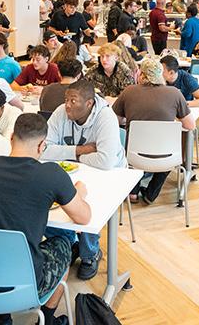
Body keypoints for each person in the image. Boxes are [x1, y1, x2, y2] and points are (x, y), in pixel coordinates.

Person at [0, 113, 91, 325]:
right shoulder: (51, 174)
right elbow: (84, 218)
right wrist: (80, 194)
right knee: (65, 243)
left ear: (11, 137)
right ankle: (47, 320)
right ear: (42, 145)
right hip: (24, 282)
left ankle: (3, 318)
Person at [42, 79, 125, 280]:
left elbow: (105, 161)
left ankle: (90, 254)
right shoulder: (61, 112)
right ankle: (68, 244)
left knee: (87, 206)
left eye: (73, 100)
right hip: (75, 171)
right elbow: (44, 149)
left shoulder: (106, 117)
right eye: (66, 99)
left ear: (89, 104)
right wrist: (81, 150)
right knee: (45, 201)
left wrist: (69, 154)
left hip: (109, 174)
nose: (67, 105)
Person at [113, 57, 195, 204]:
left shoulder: (129, 92)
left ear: (142, 75)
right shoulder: (174, 93)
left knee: (131, 144)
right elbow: (190, 125)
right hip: (167, 156)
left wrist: (130, 118)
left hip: (133, 156)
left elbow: (114, 121)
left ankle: (132, 192)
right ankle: (151, 193)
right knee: (169, 150)